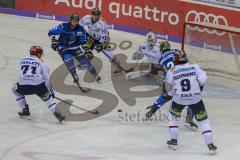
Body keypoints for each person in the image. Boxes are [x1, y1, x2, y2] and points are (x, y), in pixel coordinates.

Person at [165, 50, 217, 153]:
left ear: (175, 59)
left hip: (178, 99)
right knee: (203, 121)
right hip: (195, 98)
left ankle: (174, 141)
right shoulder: (194, 65)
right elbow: (203, 79)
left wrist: (172, 94)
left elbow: (168, 88)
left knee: (173, 117)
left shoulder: (171, 71)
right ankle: (210, 145)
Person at [146, 41, 198, 130]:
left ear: (162, 49)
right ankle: (189, 120)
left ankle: (152, 110)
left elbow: (166, 71)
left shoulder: (161, 59)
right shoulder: (175, 51)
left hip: (169, 81)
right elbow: (184, 60)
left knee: (165, 96)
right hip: (180, 78)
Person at [12, 46, 65, 123]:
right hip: (38, 86)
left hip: (23, 86)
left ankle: (25, 110)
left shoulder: (23, 59)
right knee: (48, 99)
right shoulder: (42, 62)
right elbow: (46, 78)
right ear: (39, 54)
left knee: (15, 90)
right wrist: (50, 90)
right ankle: (57, 113)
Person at [48, 13, 101, 83]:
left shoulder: (80, 29)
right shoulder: (63, 26)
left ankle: (95, 74)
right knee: (69, 61)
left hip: (75, 47)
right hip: (64, 47)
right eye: (74, 21)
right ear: (70, 20)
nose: (76, 22)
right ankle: (74, 75)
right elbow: (51, 32)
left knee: (84, 61)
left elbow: (83, 41)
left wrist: (86, 49)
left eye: (77, 21)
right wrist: (54, 41)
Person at [79, 8, 123, 74]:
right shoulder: (86, 18)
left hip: (103, 39)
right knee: (87, 49)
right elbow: (79, 26)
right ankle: (85, 64)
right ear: (92, 14)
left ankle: (118, 67)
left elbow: (104, 36)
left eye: (98, 14)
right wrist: (85, 32)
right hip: (91, 37)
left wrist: (101, 45)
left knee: (108, 54)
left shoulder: (102, 23)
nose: (96, 16)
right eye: (95, 14)